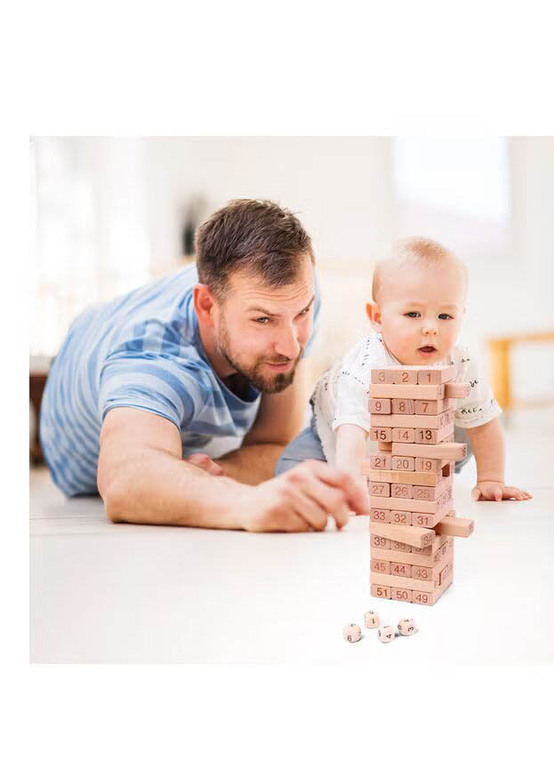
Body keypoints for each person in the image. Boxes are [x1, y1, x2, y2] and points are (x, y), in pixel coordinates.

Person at [40, 199, 368, 531]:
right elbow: (124, 479)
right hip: (71, 416)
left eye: (302, 314)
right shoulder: (153, 352)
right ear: (207, 305)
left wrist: (208, 476)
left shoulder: (294, 294)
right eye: (262, 319)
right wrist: (247, 501)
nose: (291, 344)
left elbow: (273, 444)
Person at [276, 236, 533, 503]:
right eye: (413, 314)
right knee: (292, 469)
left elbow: (485, 422)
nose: (431, 327)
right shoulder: (365, 367)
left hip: (420, 435)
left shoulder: (460, 362)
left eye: (445, 316)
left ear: (461, 315)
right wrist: (351, 487)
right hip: (339, 429)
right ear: (377, 318)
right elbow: (351, 432)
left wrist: (491, 479)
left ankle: (421, 469)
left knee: (468, 423)